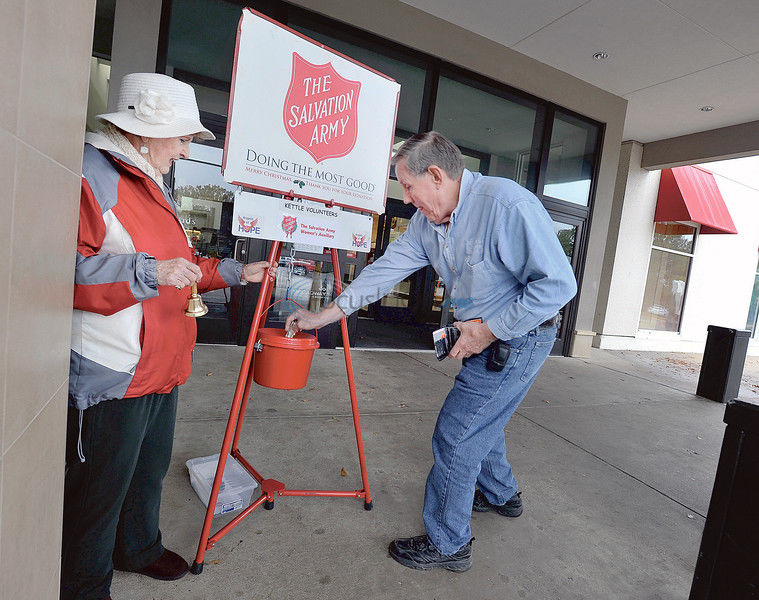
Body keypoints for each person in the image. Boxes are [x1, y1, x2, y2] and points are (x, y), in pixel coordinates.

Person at [286, 131, 577, 572]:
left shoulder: (506, 206)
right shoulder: (428, 223)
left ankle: (449, 544)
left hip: (519, 337)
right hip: (478, 334)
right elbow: (385, 270)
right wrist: (325, 316)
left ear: (436, 175)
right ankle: (502, 495)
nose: (406, 199)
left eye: (408, 186)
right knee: (483, 419)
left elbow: (558, 286)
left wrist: (490, 330)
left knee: (457, 434)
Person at [62, 72, 274, 600]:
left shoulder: (148, 177)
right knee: (100, 491)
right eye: (181, 137)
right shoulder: (91, 173)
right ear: (141, 132)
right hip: (116, 368)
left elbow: (175, 266)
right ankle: (84, 587)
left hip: (163, 364)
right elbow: (63, 271)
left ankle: (136, 547)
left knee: (149, 469)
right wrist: (149, 274)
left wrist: (227, 272)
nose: (184, 149)